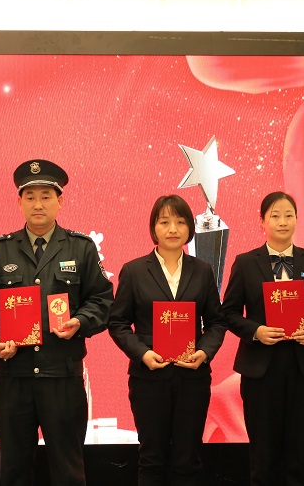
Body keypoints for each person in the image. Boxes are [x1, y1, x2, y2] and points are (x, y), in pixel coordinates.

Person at [0, 159, 113, 486]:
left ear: (60, 201)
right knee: (13, 470)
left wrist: (80, 321)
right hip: (13, 377)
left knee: (68, 470)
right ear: (19, 202)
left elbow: (102, 300)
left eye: (46, 196)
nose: (38, 204)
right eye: (31, 197)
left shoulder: (81, 248)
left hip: (62, 377)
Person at [220, 191, 304, 485]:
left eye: (289, 215)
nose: (283, 222)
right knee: (263, 454)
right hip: (261, 368)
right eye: (275, 216)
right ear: (262, 221)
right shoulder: (245, 263)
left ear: (297, 219)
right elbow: (229, 313)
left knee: (300, 452)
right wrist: (256, 331)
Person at [108, 194, 226, 486]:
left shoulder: (203, 270)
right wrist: (142, 354)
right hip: (149, 379)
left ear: (190, 228)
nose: (173, 229)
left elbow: (216, 322)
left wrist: (204, 352)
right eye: (164, 222)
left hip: (192, 378)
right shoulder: (134, 270)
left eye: (180, 222)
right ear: (154, 228)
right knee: (152, 459)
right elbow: (118, 323)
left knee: (188, 459)